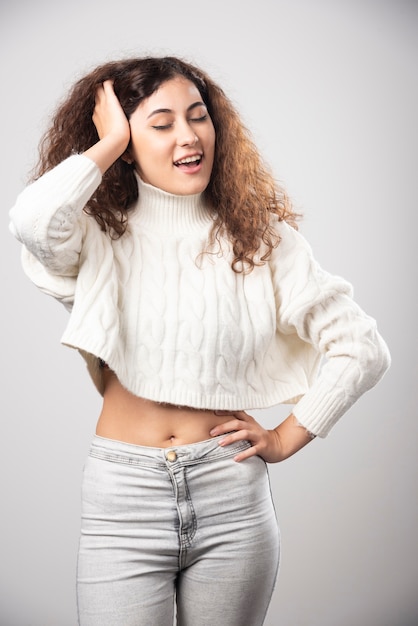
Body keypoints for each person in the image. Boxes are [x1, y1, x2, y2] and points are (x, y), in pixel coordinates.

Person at [9, 56, 390, 626]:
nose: (189, 136)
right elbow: (33, 221)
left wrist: (287, 436)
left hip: (231, 494)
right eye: (161, 124)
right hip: (125, 496)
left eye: (199, 117)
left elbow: (362, 347)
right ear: (126, 144)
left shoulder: (260, 236)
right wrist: (111, 137)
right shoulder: (95, 233)